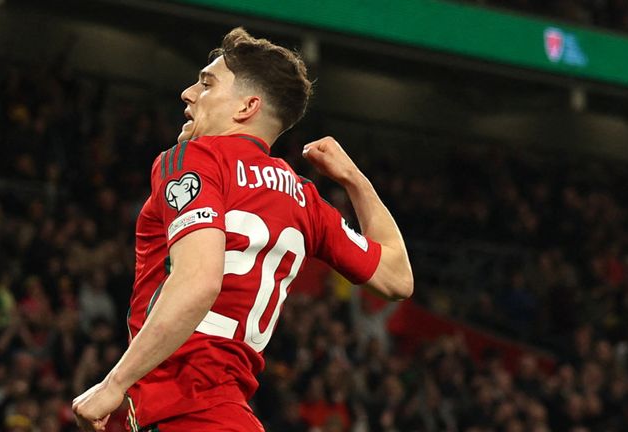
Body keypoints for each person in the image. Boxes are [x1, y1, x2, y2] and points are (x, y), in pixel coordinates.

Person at [72, 27, 413, 431]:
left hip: (183, 410)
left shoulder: (194, 159)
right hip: (222, 412)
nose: (188, 93)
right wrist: (356, 180)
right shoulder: (303, 198)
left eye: (206, 83)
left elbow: (199, 282)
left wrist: (115, 383)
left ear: (246, 107)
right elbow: (397, 277)